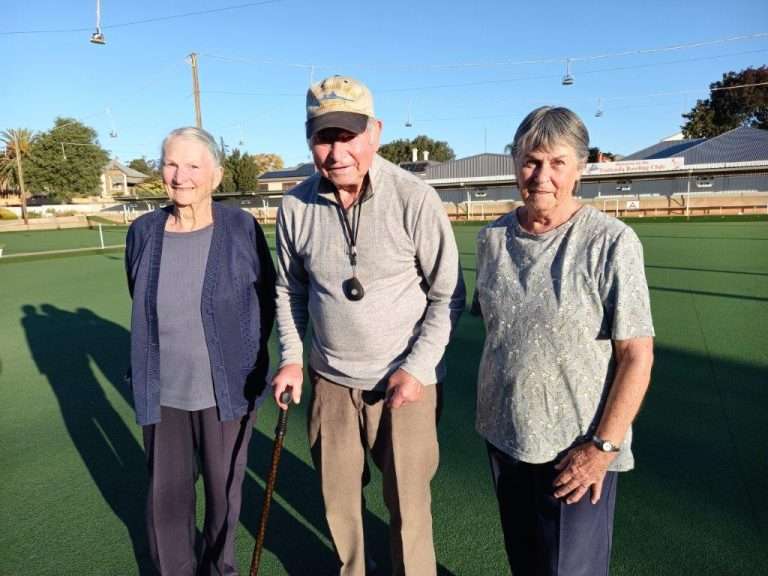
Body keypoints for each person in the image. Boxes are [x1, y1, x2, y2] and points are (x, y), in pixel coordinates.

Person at [272, 75, 465, 576]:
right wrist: (292, 359)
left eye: (348, 135)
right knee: (339, 504)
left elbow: (448, 295)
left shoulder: (414, 198)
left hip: (405, 384)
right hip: (331, 380)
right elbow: (289, 291)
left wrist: (418, 368)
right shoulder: (294, 205)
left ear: (374, 132)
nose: (336, 151)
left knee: (409, 508)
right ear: (309, 139)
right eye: (323, 136)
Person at [474, 106, 655, 576]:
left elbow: (636, 355)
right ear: (515, 165)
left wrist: (602, 448)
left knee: (571, 569)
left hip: (577, 445)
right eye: (531, 161)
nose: (542, 176)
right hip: (506, 435)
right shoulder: (491, 239)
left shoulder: (611, 242)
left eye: (557, 163)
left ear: (580, 168)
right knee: (526, 563)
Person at [124, 127, 276, 576]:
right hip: (163, 391)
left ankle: (218, 570)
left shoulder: (242, 228)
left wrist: (250, 359)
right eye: (172, 163)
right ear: (160, 170)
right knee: (165, 501)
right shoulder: (144, 231)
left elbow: (265, 299)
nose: (181, 175)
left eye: (194, 165)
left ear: (216, 174)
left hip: (226, 392)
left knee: (223, 497)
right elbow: (139, 295)